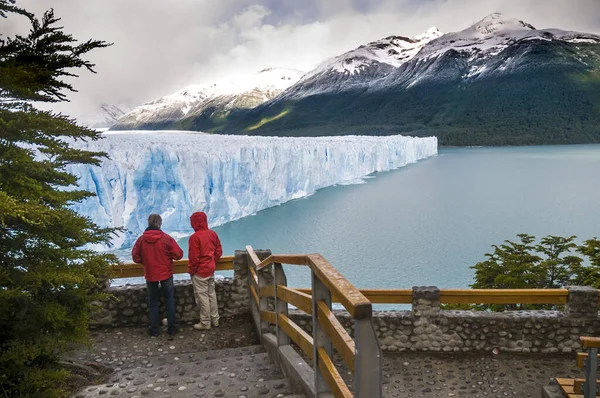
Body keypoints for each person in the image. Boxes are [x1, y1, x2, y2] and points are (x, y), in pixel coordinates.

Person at [132, 214, 183, 336]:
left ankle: (154, 330)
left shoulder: (141, 240)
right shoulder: (166, 239)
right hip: (166, 274)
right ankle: (172, 328)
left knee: (153, 302)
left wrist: (145, 262)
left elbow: (135, 257)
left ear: (148, 223)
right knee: (169, 300)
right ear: (160, 223)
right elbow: (179, 254)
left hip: (150, 275)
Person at [188, 211, 222, 330]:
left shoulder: (194, 238)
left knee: (203, 297)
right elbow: (218, 251)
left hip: (200, 272)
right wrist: (212, 261)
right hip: (210, 269)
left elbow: (194, 258)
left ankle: (205, 323)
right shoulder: (212, 234)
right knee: (211, 294)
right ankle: (215, 319)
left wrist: (192, 271)